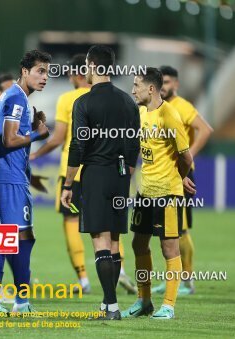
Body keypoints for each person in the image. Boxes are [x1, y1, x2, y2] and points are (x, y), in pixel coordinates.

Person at [60, 45, 140, 320]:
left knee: (100, 241)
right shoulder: (128, 102)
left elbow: (77, 145)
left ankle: (111, 305)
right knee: (115, 241)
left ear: (92, 66)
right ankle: (109, 305)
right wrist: (125, 171)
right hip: (120, 175)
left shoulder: (83, 102)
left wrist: (68, 184)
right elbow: (134, 144)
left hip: (94, 173)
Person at [121, 67, 194, 320]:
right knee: (138, 243)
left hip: (167, 193)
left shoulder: (169, 115)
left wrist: (180, 177)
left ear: (151, 89)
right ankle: (144, 301)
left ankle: (169, 306)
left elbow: (186, 155)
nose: (132, 90)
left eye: (136, 86)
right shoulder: (141, 113)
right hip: (146, 191)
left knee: (168, 248)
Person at [0, 50, 51, 314]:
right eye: (40, 71)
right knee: (11, 237)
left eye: (47, 71)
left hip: (1, 177)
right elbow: (8, 140)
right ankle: (8, 301)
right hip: (8, 180)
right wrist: (38, 134)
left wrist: (31, 127)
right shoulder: (16, 98)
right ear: (25, 71)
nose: (45, 77)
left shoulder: (16, 97)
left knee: (12, 237)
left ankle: (11, 301)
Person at [30, 54, 92, 294]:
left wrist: (36, 155)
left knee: (71, 222)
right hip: (99, 171)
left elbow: (58, 138)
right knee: (106, 228)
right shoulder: (103, 97)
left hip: (72, 173)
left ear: (76, 74)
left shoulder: (67, 99)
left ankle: (83, 278)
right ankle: (120, 272)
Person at [151, 65, 213, 295]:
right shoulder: (157, 107)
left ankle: (186, 281)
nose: (164, 86)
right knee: (166, 232)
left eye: (167, 82)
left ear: (176, 84)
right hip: (163, 174)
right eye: (161, 82)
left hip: (181, 173)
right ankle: (172, 278)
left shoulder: (182, 106)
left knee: (181, 230)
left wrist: (189, 155)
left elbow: (205, 129)